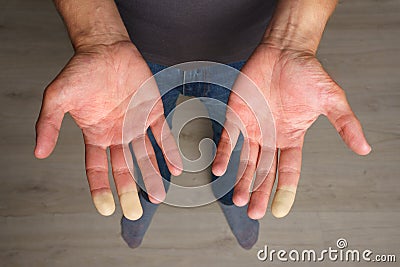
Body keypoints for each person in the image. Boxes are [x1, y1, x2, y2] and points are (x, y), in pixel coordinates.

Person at [34, 0, 371, 249]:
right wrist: (98, 36)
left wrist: (292, 39)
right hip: (131, 47)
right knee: (142, 137)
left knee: (238, 137)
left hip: (254, 50)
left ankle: (230, 195)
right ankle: (152, 192)